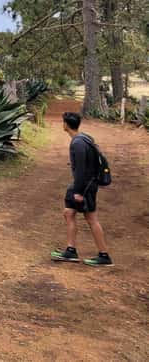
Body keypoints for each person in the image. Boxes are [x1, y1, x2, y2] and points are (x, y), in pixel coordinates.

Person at [51, 112, 113, 266]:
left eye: (63, 122)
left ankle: (104, 255)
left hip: (85, 186)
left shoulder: (77, 143)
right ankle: (70, 251)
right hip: (84, 184)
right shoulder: (84, 138)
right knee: (68, 212)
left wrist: (78, 192)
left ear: (66, 124)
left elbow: (80, 170)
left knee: (91, 219)